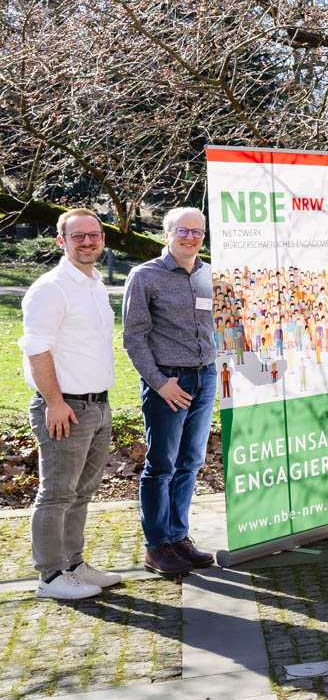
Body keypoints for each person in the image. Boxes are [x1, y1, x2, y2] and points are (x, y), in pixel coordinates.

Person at [21, 208, 121, 599]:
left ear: (103, 239)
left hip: (98, 406)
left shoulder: (94, 284)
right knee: (57, 493)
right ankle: (50, 577)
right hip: (66, 408)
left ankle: (73, 564)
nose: (87, 242)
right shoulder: (51, 288)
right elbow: (36, 349)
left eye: (93, 235)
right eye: (77, 236)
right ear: (61, 241)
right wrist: (55, 402)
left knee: (82, 492)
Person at [122, 207, 219, 576]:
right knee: (162, 465)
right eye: (183, 230)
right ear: (167, 234)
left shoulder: (209, 275)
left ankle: (179, 538)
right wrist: (160, 383)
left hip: (205, 377)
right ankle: (157, 545)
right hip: (169, 382)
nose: (191, 237)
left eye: (197, 231)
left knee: (190, 462)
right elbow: (134, 337)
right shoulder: (144, 276)